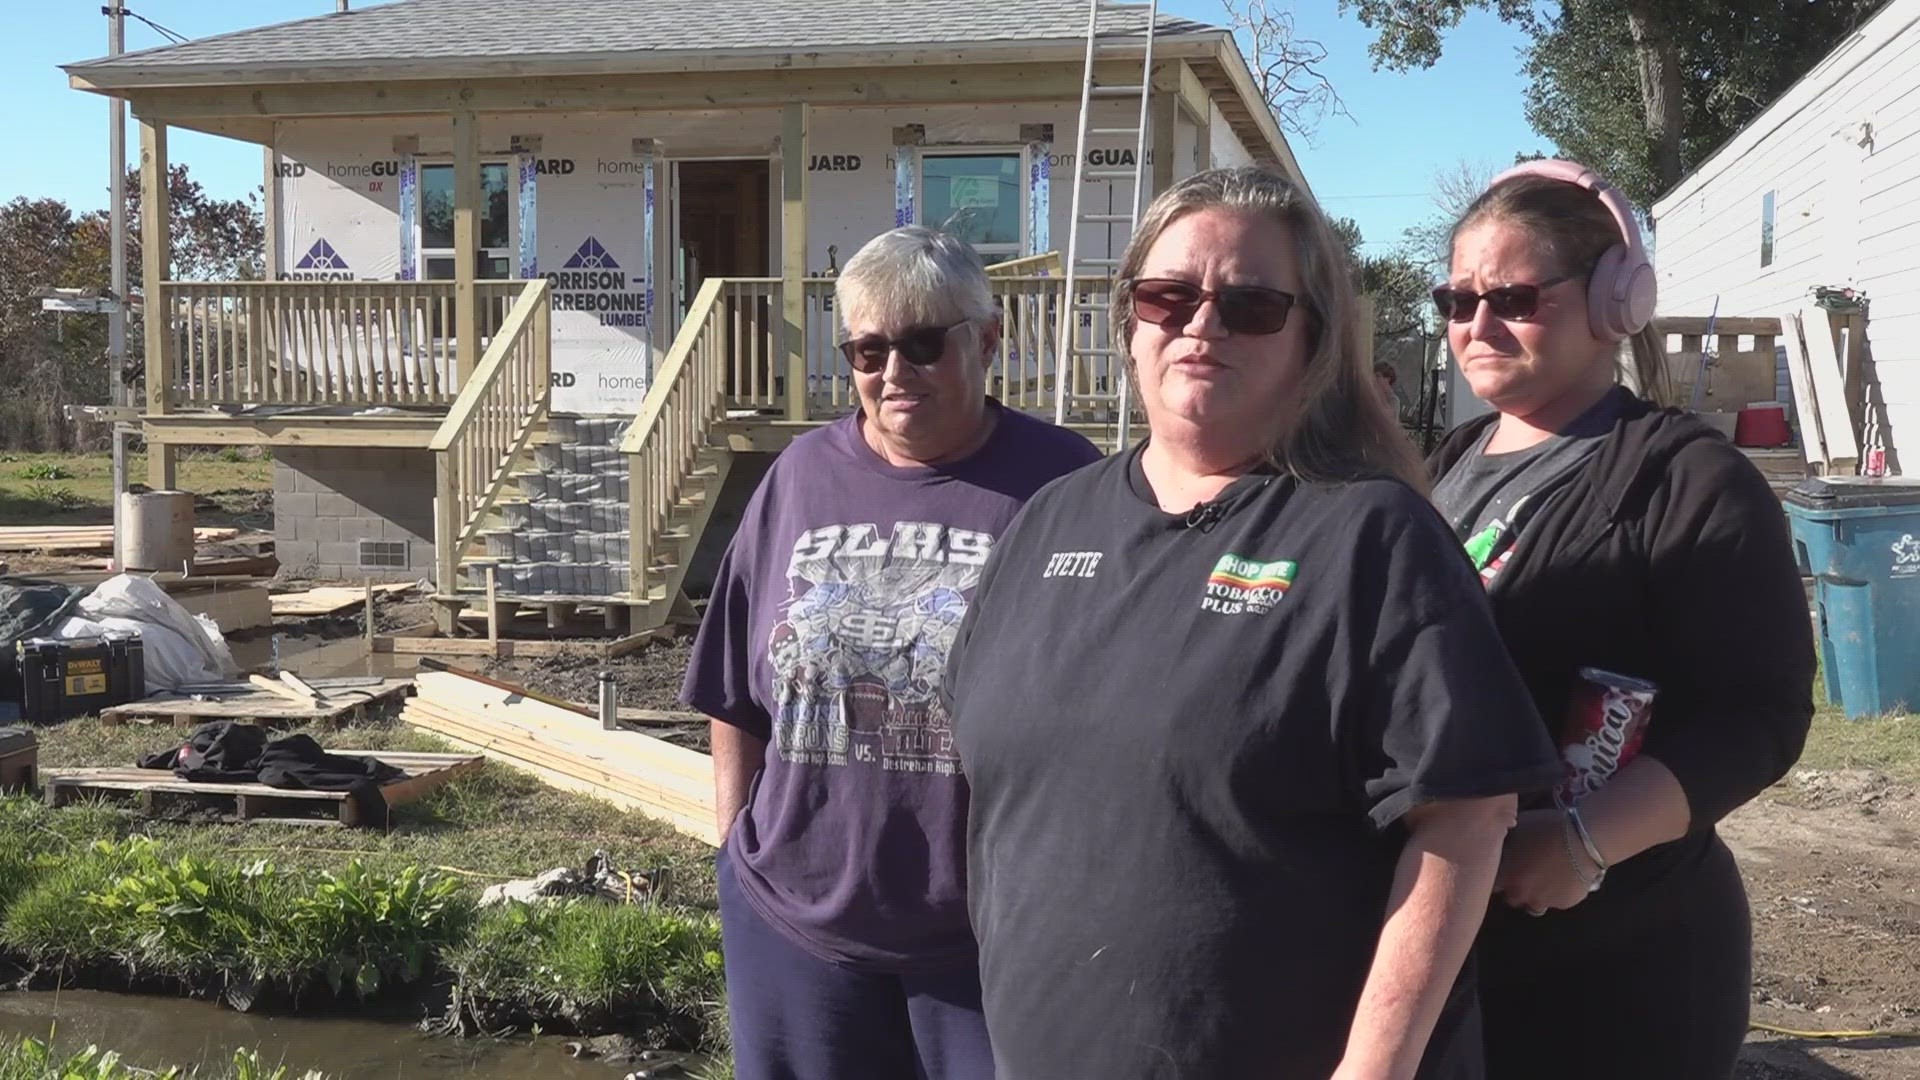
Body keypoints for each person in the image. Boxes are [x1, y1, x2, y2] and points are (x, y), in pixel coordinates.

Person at [943, 165, 1566, 1080]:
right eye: (1168, 296)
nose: (1201, 324)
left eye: (1250, 307)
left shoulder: (1370, 535)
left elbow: (1467, 822)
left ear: (1311, 338)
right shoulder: (1049, 520)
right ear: (1129, 319)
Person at [681, 225, 1102, 1080]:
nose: (892, 373)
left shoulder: (1068, 487)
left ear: (988, 340)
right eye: (868, 350)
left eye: (920, 344)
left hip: (989, 942)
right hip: (797, 929)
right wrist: (732, 850)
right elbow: (734, 689)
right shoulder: (798, 477)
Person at [1426, 159, 1815, 1080]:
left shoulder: (1687, 480)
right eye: (1456, 298)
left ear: (1614, 300)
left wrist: (1586, 839)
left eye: (1515, 298)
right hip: (1462, 948)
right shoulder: (1450, 461)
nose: (1477, 326)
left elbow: (1759, 716)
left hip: (1621, 968)